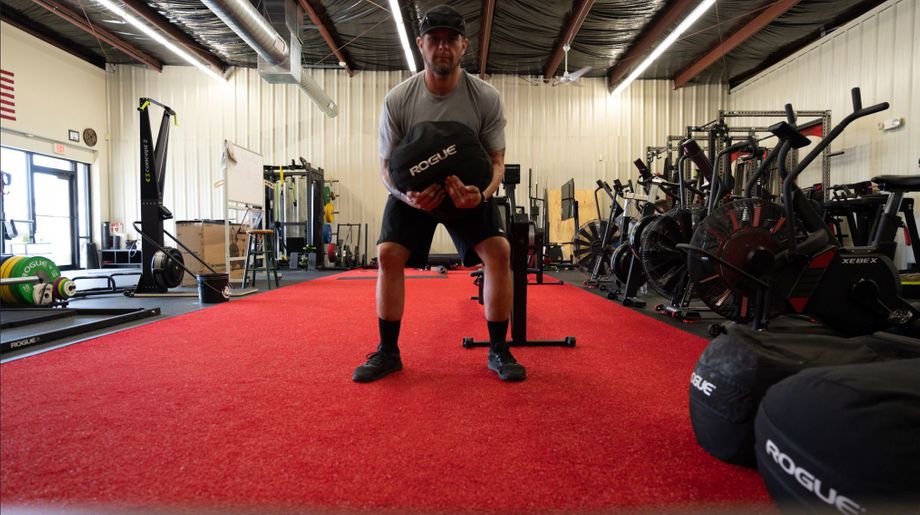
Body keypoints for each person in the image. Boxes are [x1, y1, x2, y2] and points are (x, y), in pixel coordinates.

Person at [353, 4, 525, 383]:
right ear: (421, 45)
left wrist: (481, 196)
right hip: (415, 195)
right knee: (387, 254)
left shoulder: (485, 98)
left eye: (451, 39)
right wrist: (405, 197)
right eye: (435, 39)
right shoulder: (398, 99)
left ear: (464, 45)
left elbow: (497, 161)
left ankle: (499, 350)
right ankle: (388, 352)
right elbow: (385, 167)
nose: (442, 47)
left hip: (466, 194)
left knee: (499, 251)